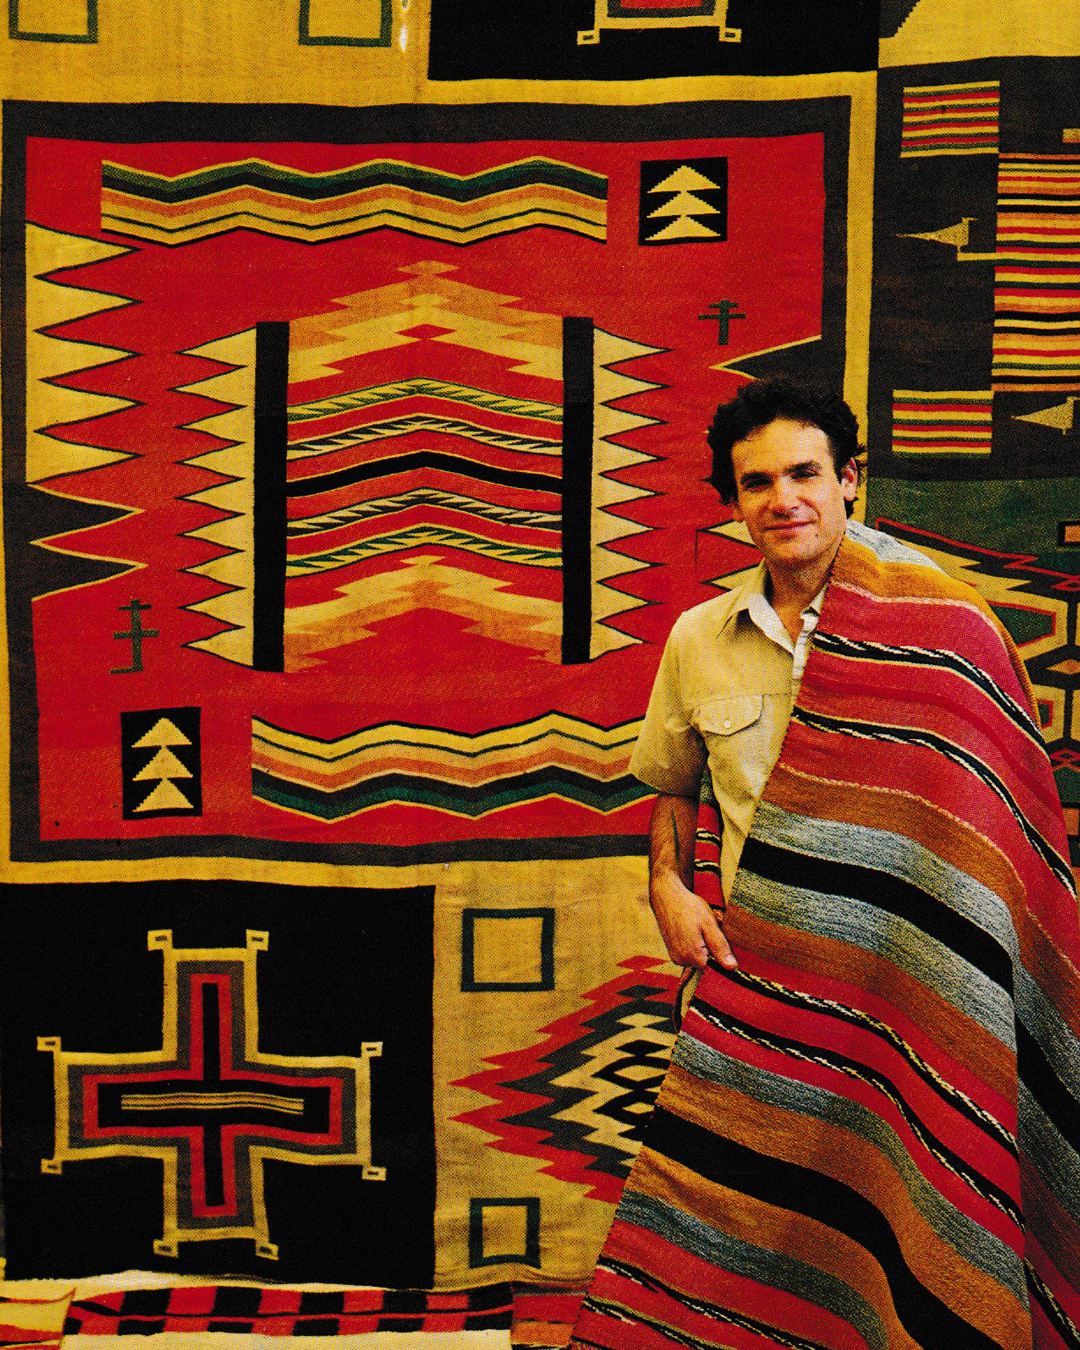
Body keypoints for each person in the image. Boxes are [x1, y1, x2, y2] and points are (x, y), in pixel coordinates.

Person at [571, 380, 1080, 1350]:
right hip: (766, 982)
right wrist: (668, 889)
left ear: (850, 481)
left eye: (806, 473)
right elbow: (674, 789)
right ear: (732, 501)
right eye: (755, 482)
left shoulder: (949, 629)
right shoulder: (699, 641)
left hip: (920, 983)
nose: (783, 499)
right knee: (750, 1228)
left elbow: (1004, 828)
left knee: (920, 1203)